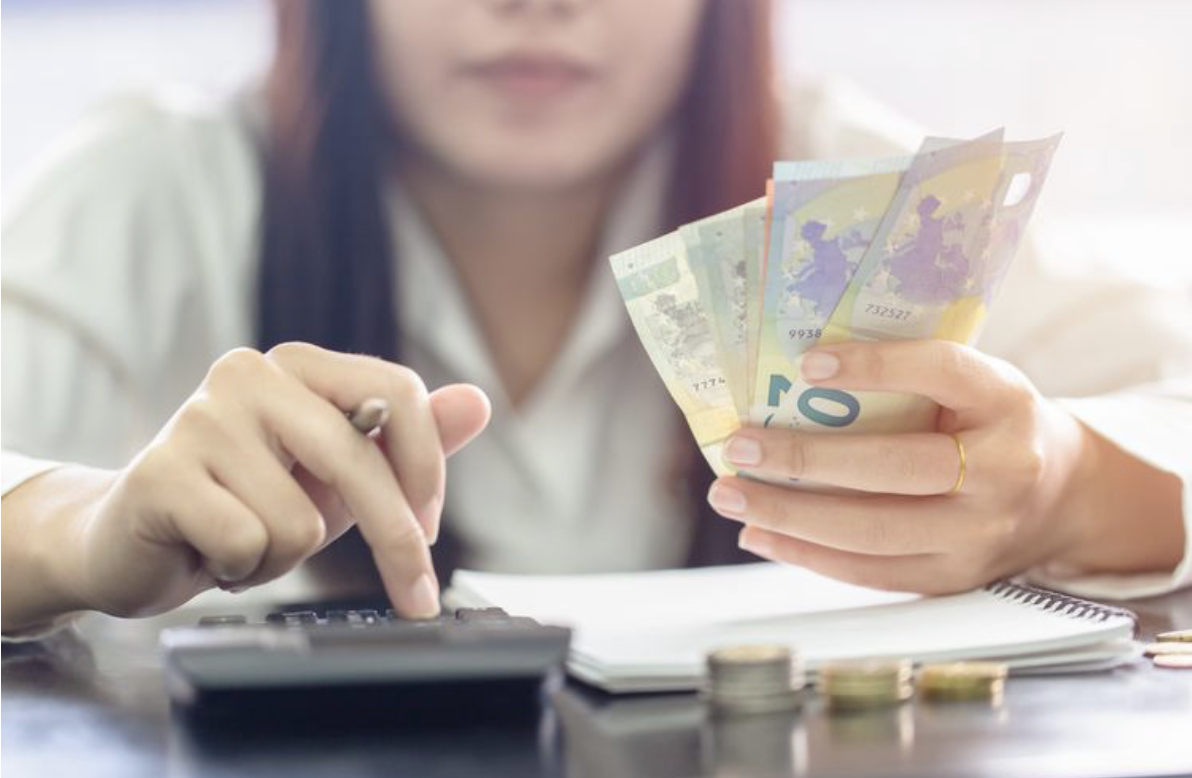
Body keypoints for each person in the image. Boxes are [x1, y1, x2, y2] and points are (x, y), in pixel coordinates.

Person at [3, 0, 1190, 638]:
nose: (536, 8)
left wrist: (1069, 486)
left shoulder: (866, 196)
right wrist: (78, 530)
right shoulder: (157, 188)